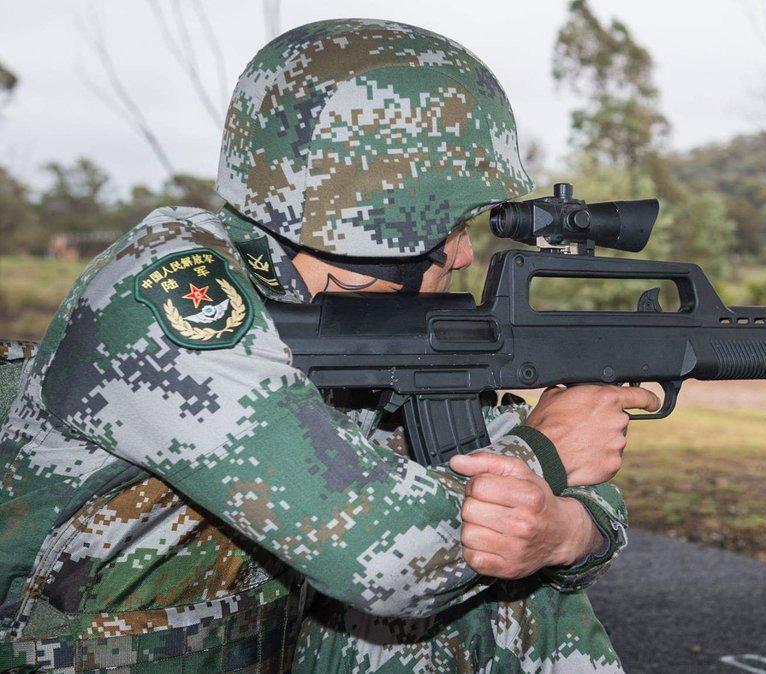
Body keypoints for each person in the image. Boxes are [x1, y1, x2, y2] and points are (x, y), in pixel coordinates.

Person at [0, 19, 658, 672]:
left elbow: (514, 464)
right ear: (373, 217)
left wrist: (566, 531)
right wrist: (547, 455)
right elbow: (382, 556)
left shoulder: (372, 314)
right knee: (455, 555)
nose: (463, 254)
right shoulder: (168, 298)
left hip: (248, 647)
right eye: (449, 224)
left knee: (511, 586)